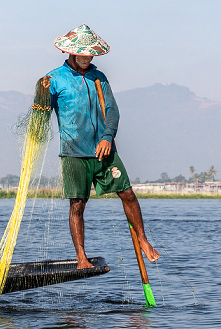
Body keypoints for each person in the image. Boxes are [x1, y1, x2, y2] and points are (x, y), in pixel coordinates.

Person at [40, 24, 159, 269]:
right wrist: (39, 96)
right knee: (77, 205)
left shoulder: (99, 77)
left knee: (127, 193)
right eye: (83, 54)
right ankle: (81, 257)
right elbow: (40, 113)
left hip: (104, 150)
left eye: (91, 54)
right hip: (74, 154)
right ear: (71, 52)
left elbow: (113, 112)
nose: (88, 58)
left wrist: (107, 137)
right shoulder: (53, 80)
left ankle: (144, 240)